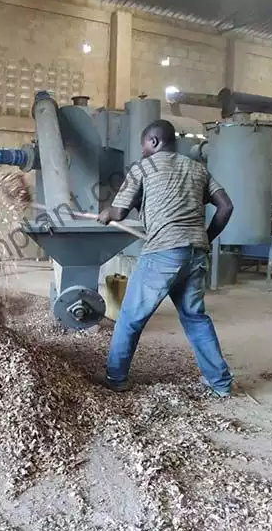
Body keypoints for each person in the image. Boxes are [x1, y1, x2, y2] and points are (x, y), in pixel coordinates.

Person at [97, 119, 234, 397]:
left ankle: (116, 378)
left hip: (163, 253)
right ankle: (221, 384)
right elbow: (226, 207)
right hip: (195, 253)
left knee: (130, 318)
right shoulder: (198, 169)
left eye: (144, 145)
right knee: (196, 319)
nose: (143, 151)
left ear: (155, 141)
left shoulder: (144, 168)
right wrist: (206, 238)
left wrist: (106, 214)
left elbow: (119, 212)